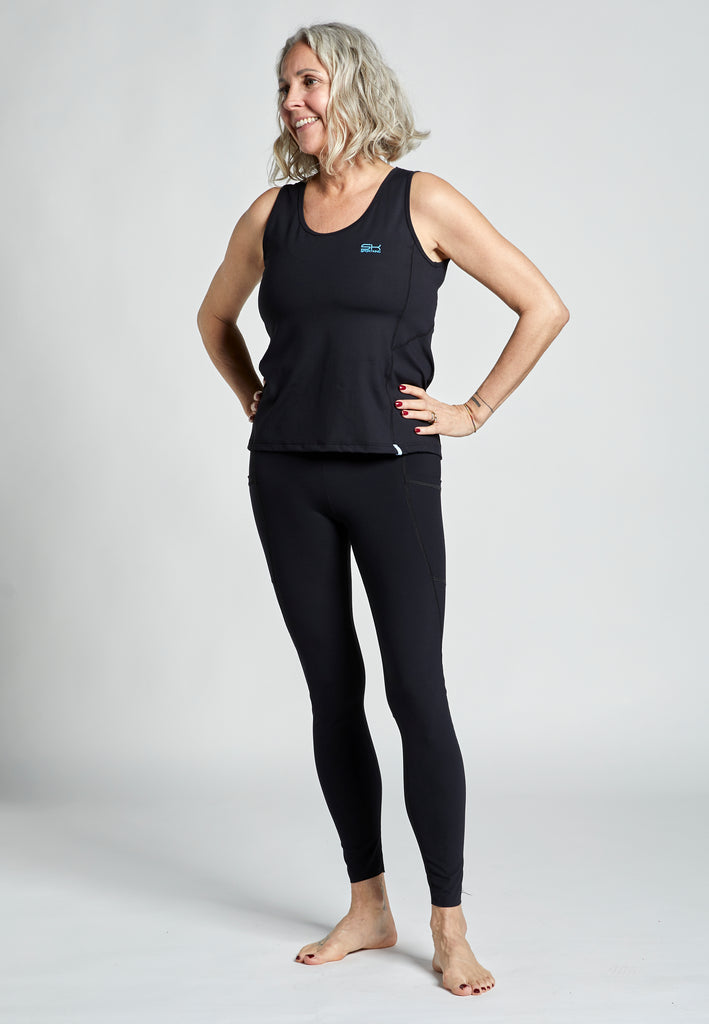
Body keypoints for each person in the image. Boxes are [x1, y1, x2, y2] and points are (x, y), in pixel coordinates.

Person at [197, 21, 569, 998]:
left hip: (390, 474)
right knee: (332, 690)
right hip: (287, 478)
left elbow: (542, 304)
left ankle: (448, 924)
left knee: (415, 691)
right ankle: (368, 904)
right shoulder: (271, 214)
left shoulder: (421, 201)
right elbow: (213, 318)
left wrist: (472, 410)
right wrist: (255, 397)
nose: (291, 102)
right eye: (284, 87)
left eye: (307, 82)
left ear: (352, 85)